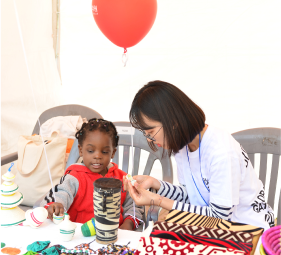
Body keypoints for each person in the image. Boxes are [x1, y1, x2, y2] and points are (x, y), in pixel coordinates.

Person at [124, 80, 274, 230]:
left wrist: (157, 200)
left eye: (151, 133)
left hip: (247, 232)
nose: (151, 139)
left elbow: (218, 218)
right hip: (215, 229)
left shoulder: (221, 152)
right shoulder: (183, 146)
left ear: (172, 121)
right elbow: (191, 196)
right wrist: (155, 183)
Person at [41, 118, 144, 231]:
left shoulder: (123, 179)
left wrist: (128, 223)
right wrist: (56, 205)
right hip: (78, 236)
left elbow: (134, 205)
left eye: (104, 152)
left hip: (114, 237)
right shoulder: (74, 177)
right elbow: (61, 194)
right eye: (90, 151)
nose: (97, 156)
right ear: (81, 150)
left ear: (113, 152)